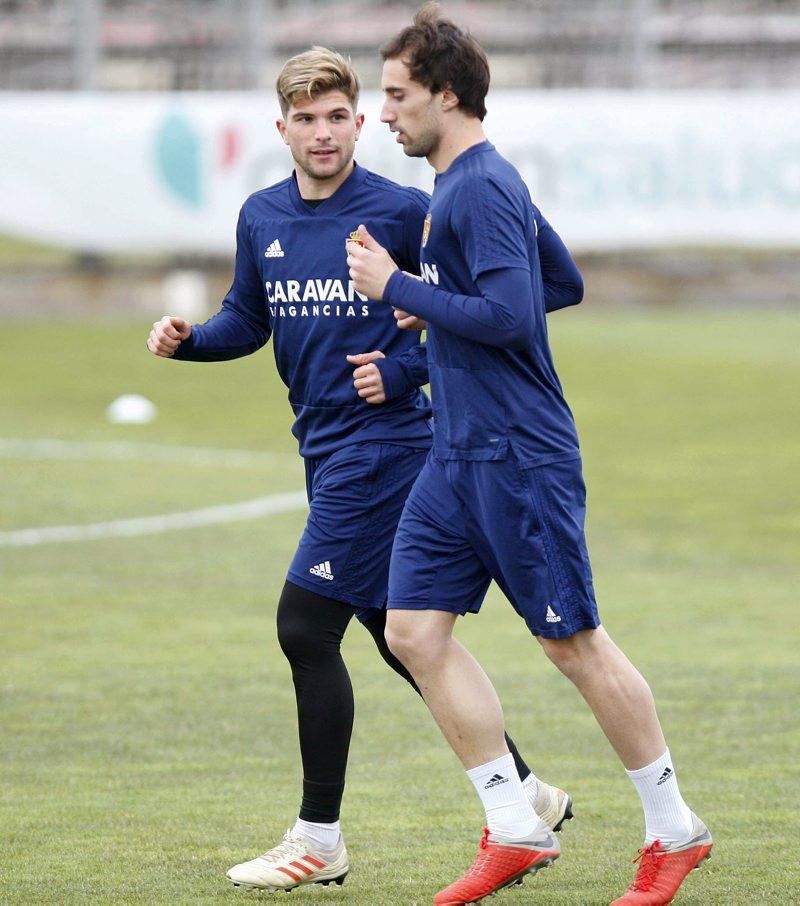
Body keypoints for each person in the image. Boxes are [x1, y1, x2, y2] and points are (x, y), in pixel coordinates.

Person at [147, 46, 584, 894]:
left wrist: (410, 371)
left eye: (338, 115)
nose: (323, 132)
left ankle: (319, 839)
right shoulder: (262, 217)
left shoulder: (405, 211)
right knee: (402, 635)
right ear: (282, 129)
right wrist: (192, 342)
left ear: (358, 122)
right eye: (304, 119)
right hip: (324, 449)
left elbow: (504, 305)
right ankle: (524, 792)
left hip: (388, 449)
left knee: (305, 628)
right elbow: (248, 317)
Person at [346, 6, 713, 905]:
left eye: (396, 96)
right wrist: (429, 312)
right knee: (411, 632)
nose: (382, 114)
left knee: (573, 644)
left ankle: (675, 831)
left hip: (519, 457)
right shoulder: (461, 189)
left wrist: (402, 289)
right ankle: (514, 824)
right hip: (457, 454)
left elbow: (515, 316)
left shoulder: (475, 189)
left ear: (444, 94)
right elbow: (561, 282)